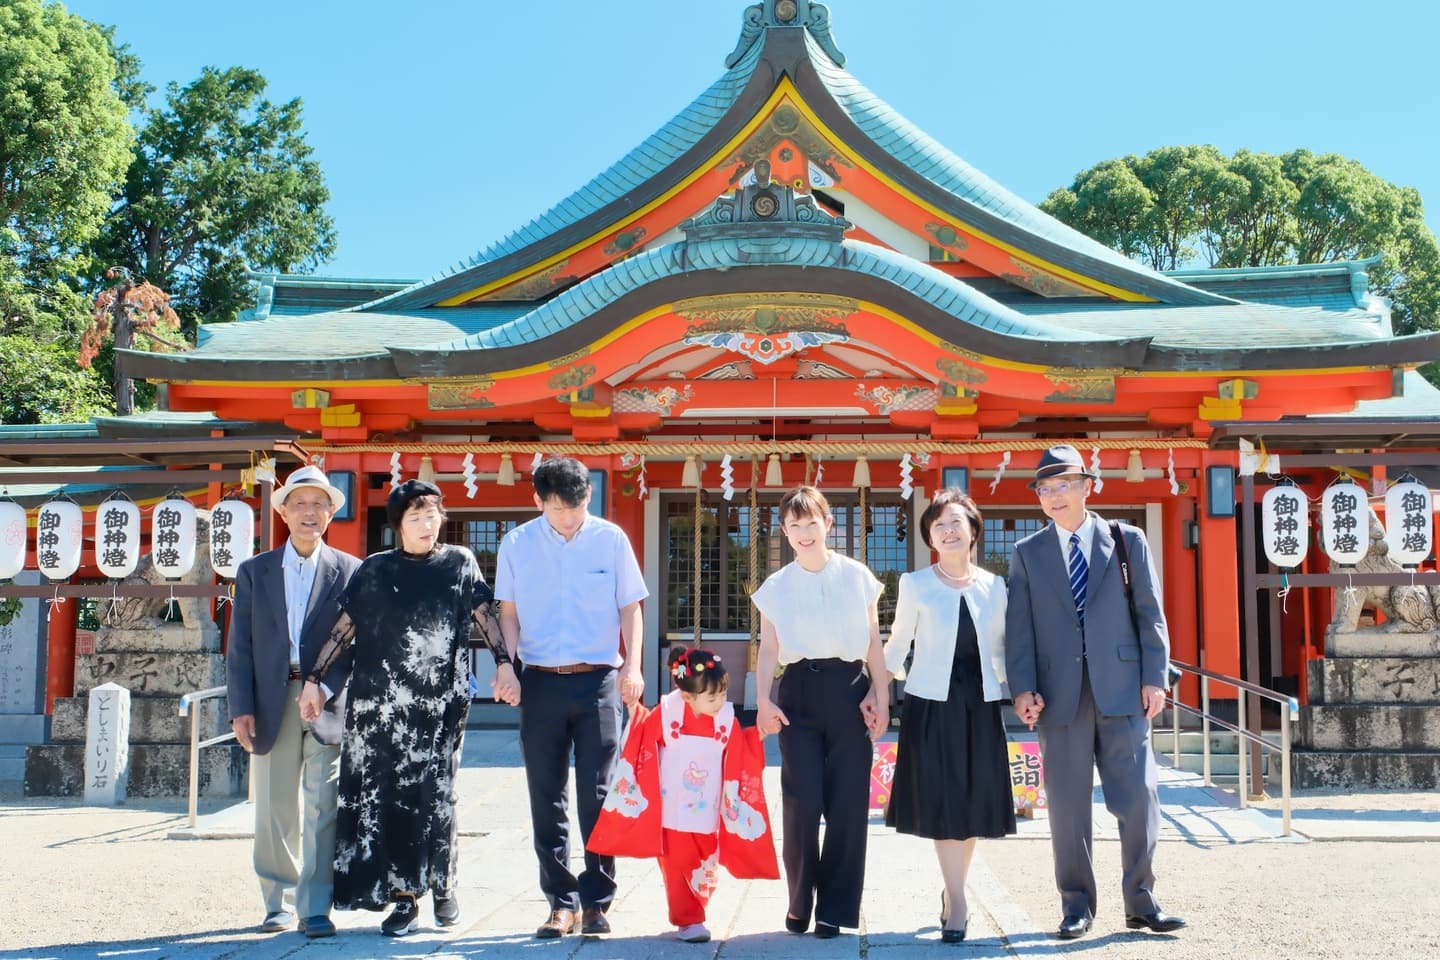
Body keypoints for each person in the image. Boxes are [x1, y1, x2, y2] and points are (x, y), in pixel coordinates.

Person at [297, 479, 516, 937]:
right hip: (380, 710)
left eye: (432, 514)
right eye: (415, 516)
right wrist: (314, 679)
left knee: (438, 796)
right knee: (391, 800)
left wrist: (505, 664)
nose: (426, 524)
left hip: (439, 706)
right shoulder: (375, 570)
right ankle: (403, 899)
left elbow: (485, 616)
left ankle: (444, 885)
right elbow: (344, 629)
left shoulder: (459, 563)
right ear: (398, 524)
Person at [1004, 444, 1185, 940]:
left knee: (1139, 799)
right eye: (1045, 488)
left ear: (1088, 486)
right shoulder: (1027, 554)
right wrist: (1022, 689)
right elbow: (1018, 630)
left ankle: (1142, 901)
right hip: (1058, 695)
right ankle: (1076, 904)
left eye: (1064, 485)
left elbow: (1150, 613)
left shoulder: (1127, 541)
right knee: (1066, 806)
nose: (1055, 496)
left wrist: (1156, 677)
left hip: (1125, 689)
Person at [494, 456, 647, 939]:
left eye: (577, 507)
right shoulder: (516, 544)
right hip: (539, 680)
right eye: (559, 509)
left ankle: (597, 900)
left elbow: (631, 608)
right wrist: (508, 666)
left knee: (598, 795)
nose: (569, 518)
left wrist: (635, 667)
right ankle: (560, 901)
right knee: (546, 793)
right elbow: (509, 614)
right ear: (537, 501)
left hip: (598, 679)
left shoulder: (611, 538)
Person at [226, 464, 362, 939]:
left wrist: (322, 687)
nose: (310, 512)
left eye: (319, 504)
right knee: (274, 804)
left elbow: (354, 643)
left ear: (330, 513)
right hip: (271, 696)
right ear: (283, 511)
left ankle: (315, 904)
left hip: (326, 700)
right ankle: (277, 901)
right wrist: (239, 707)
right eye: (300, 504)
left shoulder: (350, 572)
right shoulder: (255, 572)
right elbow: (239, 644)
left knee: (323, 804)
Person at [751, 485, 889, 940]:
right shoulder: (776, 587)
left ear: (829, 524)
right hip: (799, 694)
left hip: (851, 690)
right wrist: (764, 700)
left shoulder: (858, 576)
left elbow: (873, 641)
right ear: (785, 532)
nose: (804, 532)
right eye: (795, 525)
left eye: (813, 522)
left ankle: (835, 908)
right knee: (802, 801)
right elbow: (769, 647)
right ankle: (799, 899)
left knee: (848, 804)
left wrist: (881, 694)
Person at [883, 488, 1016, 943]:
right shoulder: (914, 584)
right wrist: (876, 692)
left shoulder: (994, 587)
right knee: (944, 803)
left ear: (973, 530)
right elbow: (898, 645)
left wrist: (1021, 694)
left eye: (956, 522)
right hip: (931, 704)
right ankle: (958, 901)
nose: (949, 530)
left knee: (974, 802)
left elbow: (1001, 648)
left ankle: (952, 890)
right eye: (939, 525)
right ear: (931, 538)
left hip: (980, 704)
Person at [587, 647, 779, 944]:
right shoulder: (668, 713)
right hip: (672, 810)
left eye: (722, 695)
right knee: (677, 865)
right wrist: (633, 707)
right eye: (712, 697)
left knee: (705, 863)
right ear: (688, 695)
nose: (719, 703)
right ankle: (689, 919)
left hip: (707, 809)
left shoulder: (726, 718)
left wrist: (759, 735)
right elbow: (641, 734)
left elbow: (740, 748)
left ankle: (693, 912)